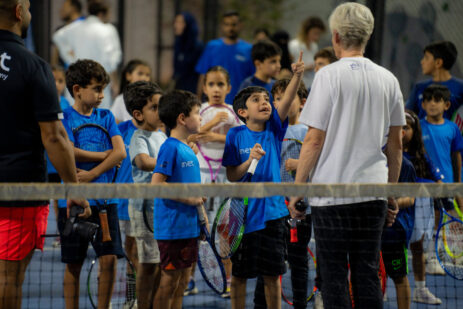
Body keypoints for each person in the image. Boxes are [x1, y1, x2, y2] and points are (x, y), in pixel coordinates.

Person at [289, 3, 404, 308]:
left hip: (332, 196)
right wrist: (390, 192)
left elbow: (313, 140)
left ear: (336, 36)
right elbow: (396, 146)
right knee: (366, 274)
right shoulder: (388, 79)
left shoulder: (327, 76)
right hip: (373, 192)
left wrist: (298, 190)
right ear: (368, 35)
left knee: (333, 276)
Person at [0, 1, 89, 308]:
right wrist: (72, 188)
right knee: (8, 278)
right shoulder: (32, 65)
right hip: (19, 190)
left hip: (18, 191)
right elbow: (53, 136)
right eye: (28, 8)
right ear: (18, 12)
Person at [223, 52, 304, 309]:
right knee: (239, 277)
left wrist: (297, 75)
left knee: (272, 275)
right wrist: (249, 162)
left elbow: (288, 99)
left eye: (267, 99)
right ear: (242, 111)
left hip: (273, 215)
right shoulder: (235, 135)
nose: (265, 102)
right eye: (257, 100)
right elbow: (232, 175)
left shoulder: (274, 129)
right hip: (244, 216)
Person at [58, 59, 126, 309]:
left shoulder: (106, 116)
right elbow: (69, 151)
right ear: (77, 89)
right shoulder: (64, 117)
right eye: (96, 89)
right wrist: (105, 156)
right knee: (74, 264)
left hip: (106, 202)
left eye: (103, 89)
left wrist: (91, 173)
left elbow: (121, 153)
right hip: (74, 203)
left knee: (109, 260)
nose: (101, 95)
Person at [253, 78, 310, 309]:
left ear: (303, 102)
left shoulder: (309, 131)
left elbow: (319, 164)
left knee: (298, 260)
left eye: (285, 97)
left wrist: (301, 164)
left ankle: (300, 305)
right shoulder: (270, 131)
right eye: (275, 98)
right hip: (273, 208)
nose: (279, 103)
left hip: (301, 208)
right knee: (267, 261)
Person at [187, 66, 242, 297]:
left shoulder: (232, 112)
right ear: (204, 87)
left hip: (225, 177)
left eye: (221, 85)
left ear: (228, 88)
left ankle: (227, 280)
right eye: (211, 84)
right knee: (195, 230)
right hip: (200, 175)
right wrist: (210, 126)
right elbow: (192, 135)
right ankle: (189, 280)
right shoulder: (199, 110)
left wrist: (216, 135)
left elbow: (240, 139)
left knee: (224, 230)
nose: (216, 89)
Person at [151, 90, 206, 309]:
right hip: (172, 229)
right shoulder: (169, 147)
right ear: (182, 118)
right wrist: (189, 200)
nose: (201, 117)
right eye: (197, 113)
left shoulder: (187, 149)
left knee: (182, 281)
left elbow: (194, 190)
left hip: (189, 227)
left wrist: (201, 218)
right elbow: (156, 185)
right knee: (169, 281)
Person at [126, 81, 166, 309]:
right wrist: (170, 160)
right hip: (143, 209)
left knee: (159, 262)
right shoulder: (138, 138)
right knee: (147, 263)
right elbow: (142, 162)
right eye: (154, 107)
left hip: (161, 209)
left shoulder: (161, 135)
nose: (160, 112)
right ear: (138, 114)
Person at [403, 110, 443, 304]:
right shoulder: (385, 152)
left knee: (417, 247)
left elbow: (439, 182)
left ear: (414, 131)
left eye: (406, 127)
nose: (402, 131)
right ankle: (382, 285)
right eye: (399, 127)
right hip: (397, 204)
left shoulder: (421, 156)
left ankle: (420, 289)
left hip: (420, 205)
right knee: (389, 246)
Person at [53, 0, 122, 109]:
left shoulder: (75, 27)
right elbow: (112, 60)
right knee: (99, 121)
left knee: (74, 120)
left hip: (77, 82)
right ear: (101, 14)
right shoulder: (108, 30)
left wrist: (70, 57)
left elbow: (57, 36)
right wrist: (115, 82)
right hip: (99, 83)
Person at [195, 11, 254, 104]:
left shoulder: (248, 49)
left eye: (234, 24)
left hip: (241, 104)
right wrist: (198, 99)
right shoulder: (212, 47)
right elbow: (203, 75)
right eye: (227, 24)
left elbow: (253, 78)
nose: (230, 28)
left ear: (240, 25)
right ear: (222, 26)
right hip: (214, 103)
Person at [420, 85, 463, 210]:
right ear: (423, 105)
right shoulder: (417, 126)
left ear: (447, 105)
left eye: (437, 100)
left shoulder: (453, 128)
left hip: (447, 184)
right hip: (424, 185)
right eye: (428, 100)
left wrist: (457, 183)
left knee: (445, 223)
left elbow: (456, 156)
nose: (432, 104)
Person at [381, 155, 416, 309]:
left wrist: (389, 205)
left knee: (399, 276)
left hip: (394, 233)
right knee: (371, 277)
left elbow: (410, 198)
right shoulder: (372, 161)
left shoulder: (406, 165)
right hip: (371, 230)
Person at [45, 65, 72, 247]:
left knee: (62, 199)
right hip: (46, 162)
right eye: (53, 79)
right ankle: (56, 232)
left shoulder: (66, 105)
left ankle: (63, 234)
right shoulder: (40, 102)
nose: (56, 84)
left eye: (60, 81)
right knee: (51, 198)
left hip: (60, 163)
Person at [406, 41, 463, 120]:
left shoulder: (461, 88)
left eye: (426, 57)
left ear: (438, 63)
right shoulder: (419, 87)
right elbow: (408, 116)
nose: (422, 62)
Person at [288, 16, 325, 88]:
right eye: (315, 33)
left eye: (319, 34)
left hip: (312, 83)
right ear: (306, 31)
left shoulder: (314, 46)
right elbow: (289, 69)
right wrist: (307, 67)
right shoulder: (293, 45)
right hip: (299, 84)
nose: (317, 37)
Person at [111, 59, 152, 123]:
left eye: (147, 75)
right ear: (128, 76)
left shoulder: (152, 99)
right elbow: (114, 123)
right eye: (140, 73)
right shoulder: (121, 100)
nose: (144, 78)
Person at [173, 12, 203, 93]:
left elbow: (200, 73)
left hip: (192, 89)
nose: (176, 25)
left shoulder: (197, 46)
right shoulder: (178, 43)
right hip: (179, 88)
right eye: (176, 22)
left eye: (180, 23)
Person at [51, 0, 84, 67]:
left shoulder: (86, 27)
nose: (61, 10)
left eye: (65, 7)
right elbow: (55, 59)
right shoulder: (60, 32)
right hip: (66, 74)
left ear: (73, 8)